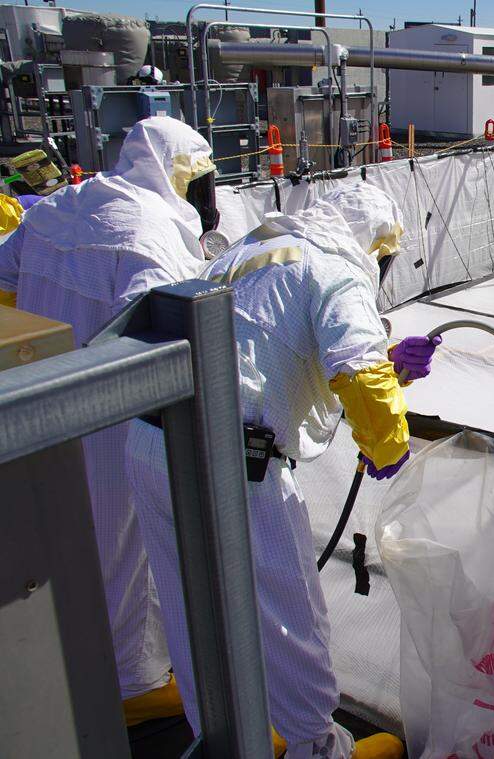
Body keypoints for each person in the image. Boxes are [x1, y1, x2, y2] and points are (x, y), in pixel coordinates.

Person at [125, 181, 431, 759]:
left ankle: (225, 738)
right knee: (294, 621)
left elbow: (267, 348)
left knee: (195, 609)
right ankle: (317, 748)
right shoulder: (339, 269)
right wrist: (388, 449)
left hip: (152, 442)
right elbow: (360, 375)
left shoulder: (254, 248)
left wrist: (390, 363)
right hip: (232, 465)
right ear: (375, 247)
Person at [0, 116, 219, 723]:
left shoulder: (59, 206)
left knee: (69, 541)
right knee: (132, 547)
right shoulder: (149, 234)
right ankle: (136, 682)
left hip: (45, 407)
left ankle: (87, 657)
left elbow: (5, 274)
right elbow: (176, 334)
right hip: (119, 421)